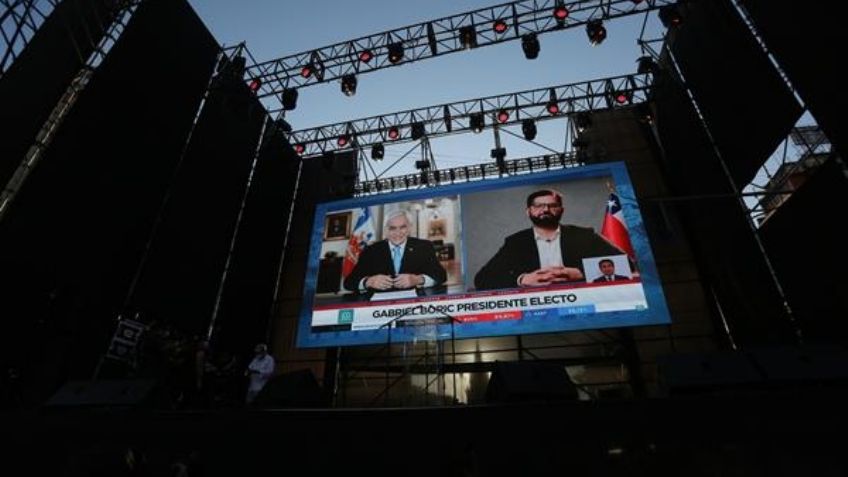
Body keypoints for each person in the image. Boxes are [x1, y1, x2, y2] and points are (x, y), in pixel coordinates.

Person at [474, 189, 624, 290]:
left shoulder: (583, 235)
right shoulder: (516, 242)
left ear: (561, 210)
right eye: (538, 206)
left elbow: (625, 264)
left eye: (552, 205)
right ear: (528, 211)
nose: (545, 210)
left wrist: (582, 273)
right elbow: (482, 279)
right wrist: (522, 279)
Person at [343, 210, 447, 292]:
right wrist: (368, 282)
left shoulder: (424, 247)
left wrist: (417, 279)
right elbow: (349, 282)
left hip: (415, 302)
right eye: (392, 228)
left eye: (403, 227)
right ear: (385, 230)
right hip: (380, 307)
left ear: (410, 228)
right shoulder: (371, 250)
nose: (398, 233)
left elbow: (441, 276)